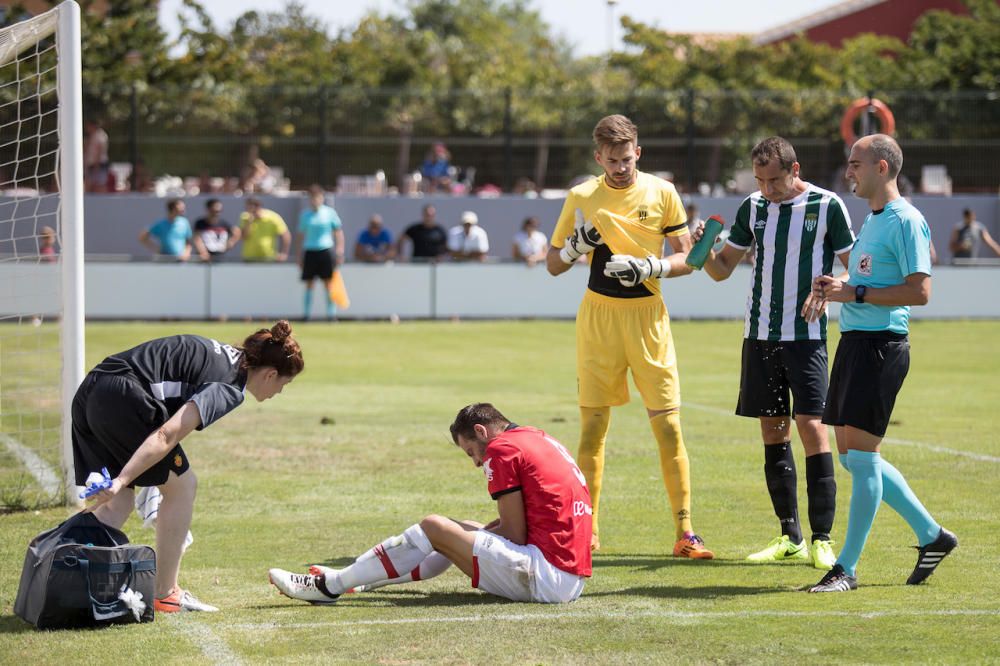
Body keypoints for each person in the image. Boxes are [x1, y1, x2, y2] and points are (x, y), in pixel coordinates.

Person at [545, 114, 713, 558]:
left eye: (627, 158)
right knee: (593, 429)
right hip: (599, 319)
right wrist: (574, 248)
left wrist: (651, 267)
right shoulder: (582, 196)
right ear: (598, 157)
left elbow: (688, 258)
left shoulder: (662, 192)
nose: (621, 167)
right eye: (612, 160)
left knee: (670, 427)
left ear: (638, 151)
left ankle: (686, 532)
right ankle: (588, 530)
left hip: (648, 317)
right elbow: (552, 264)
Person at [695, 136, 855, 571]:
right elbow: (722, 269)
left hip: (806, 338)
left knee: (813, 429)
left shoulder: (827, 205)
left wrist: (829, 287)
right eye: (760, 180)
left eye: (775, 180)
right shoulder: (753, 207)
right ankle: (790, 537)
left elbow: (855, 263)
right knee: (772, 430)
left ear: (795, 169)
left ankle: (823, 538)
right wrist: (705, 251)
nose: (767, 189)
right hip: (759, 337)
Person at [807, 134, 957, 593]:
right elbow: (867, 277)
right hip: (855, 343)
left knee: (864, 459)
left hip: (882, 346)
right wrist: (839, 284)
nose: (848, 172)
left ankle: (846, 569)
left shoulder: (906, 219)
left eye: (855, 164)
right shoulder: (870, 220)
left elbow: (920, 291)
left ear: (882, 168)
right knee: (854, 459)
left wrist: (855, 292)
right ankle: (933, 536)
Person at [76, 321, 304, 612]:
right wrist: (123, 478)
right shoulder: (230, 386)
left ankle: (57, 562)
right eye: (283, 385)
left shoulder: (229, 357)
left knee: (116, 507)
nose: (279, 392)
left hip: (94, 386)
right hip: (122, 396)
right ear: (271, 374)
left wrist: (125, 483)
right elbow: (165, 435)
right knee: (183, 486)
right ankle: (165, 593)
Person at [268, 403, 592, 604]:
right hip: (566, 576)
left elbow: (515, 533)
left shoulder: (503, 449)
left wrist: (460, 535)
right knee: (455, 529)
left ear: (481, 431)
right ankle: (358, 578)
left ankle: (329, 587)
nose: (477, 463)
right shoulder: (535, 437)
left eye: (471, 452)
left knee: (435, 527)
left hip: (547, 575)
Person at [297, 185, 345, 320]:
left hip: (326, 251)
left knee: (328, 284)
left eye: (317, 197)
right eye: (312, 198)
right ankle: (306, 315)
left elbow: (339, 233)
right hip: (310, 251)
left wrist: (340, 251)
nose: (314, 200)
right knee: (309, 284)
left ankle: (331, 315)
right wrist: (299, 256)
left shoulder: (330, 213)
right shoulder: (305, 215)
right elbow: (300, 236)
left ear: (322, 198)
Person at [240, 198, 291, 262]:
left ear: (259, 207)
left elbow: (285, 235)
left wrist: (284, 253)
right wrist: (249, 222)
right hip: (249, 258)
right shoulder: (245, 217)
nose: (250, 212)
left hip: (269, 258)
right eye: (248, 209)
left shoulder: (273, 217)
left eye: (253, 209)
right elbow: (244, 237)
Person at [84, 119, 109, 193]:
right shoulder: (92, 136)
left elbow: (100, 151)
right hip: (92, 164)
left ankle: (102, 202)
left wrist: (96, 165)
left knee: (99, 184)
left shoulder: (100, 135)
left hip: (98, 165)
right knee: (90, 184)